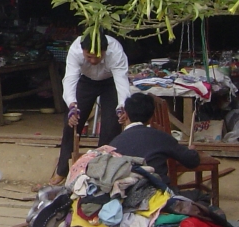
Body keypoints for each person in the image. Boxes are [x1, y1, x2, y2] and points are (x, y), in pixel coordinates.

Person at [51, 29, 131, 184]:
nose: (93, 61)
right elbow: (70, 80)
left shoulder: (115, 51)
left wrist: (122, 106)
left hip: (110, 83)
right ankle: (62, 170)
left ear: (105, 51)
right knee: (72, 124)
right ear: (83, 51)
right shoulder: (75, 50)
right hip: (86, 80)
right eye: (89, 57)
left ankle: (101, 169)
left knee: (111, 126)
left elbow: (121, 82)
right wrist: (72, 105)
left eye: (97, 56)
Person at [110, 93, 204, 186]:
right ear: (151, 117)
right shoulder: (161, 137)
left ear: (125, 114)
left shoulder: (114, 143)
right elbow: (192, 161)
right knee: (201, 197)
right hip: (159, 194)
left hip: (126, 196)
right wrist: (192, 151)